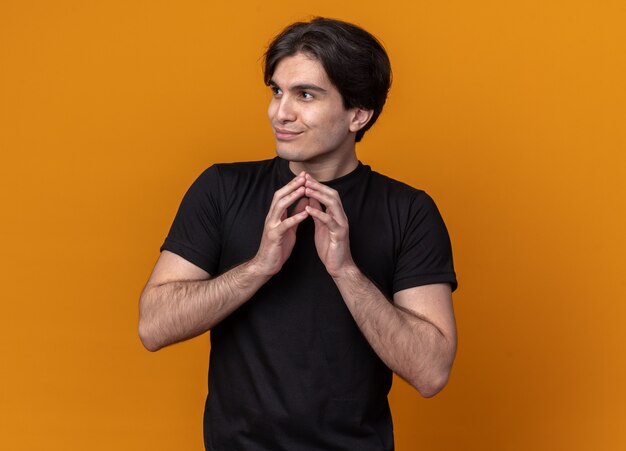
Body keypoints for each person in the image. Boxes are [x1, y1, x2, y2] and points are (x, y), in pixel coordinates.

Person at [139, 17, 457, 451]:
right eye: (276, 91)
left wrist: (345, 271)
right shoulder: (221, 189)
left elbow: (431, 372)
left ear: (358, 114)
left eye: (305, 95)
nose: (280, 112)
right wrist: (257, 268)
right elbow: (153, 326)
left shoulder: (408, 211)